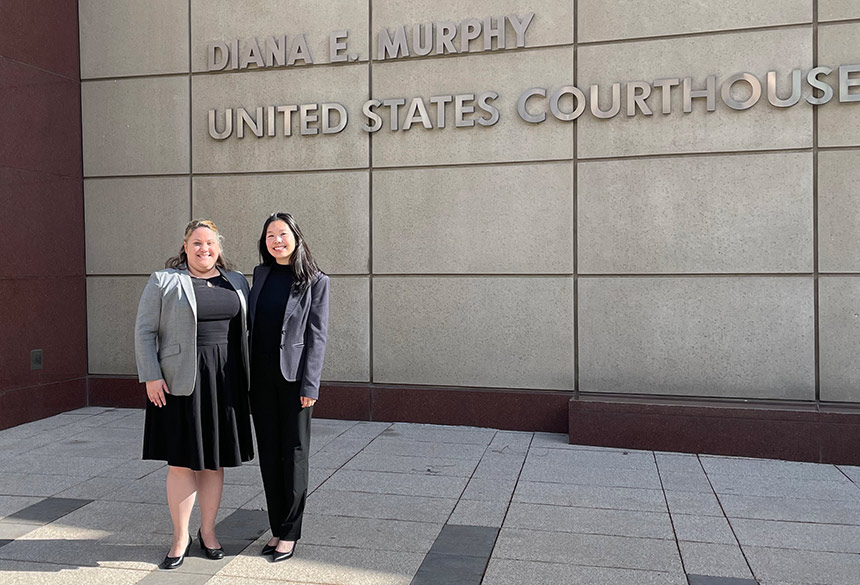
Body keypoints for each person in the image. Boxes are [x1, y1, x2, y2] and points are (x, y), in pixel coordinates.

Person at [134, 219, 254, 570]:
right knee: (182, 462)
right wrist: (151, 377)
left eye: (211, 243)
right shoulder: (164, 281)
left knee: (214, 461)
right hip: (178, 382)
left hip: (225, 381)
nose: (204, 249)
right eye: (197, 243)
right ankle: (180, 537)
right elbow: (144, 331)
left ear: (219, 246)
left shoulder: (236, 281)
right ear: (184, 247)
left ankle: (209, 532)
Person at [249, 212, 330, 562]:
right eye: (270, 235)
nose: (276, 240)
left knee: (294, 454)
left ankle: (290, 533)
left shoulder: (315, 280)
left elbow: (318, 336)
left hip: (295, 380)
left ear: (296, 237)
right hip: (261, 378)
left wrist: (311, 384)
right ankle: (276, 527)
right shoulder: (260, 274)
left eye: (282, 234)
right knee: (269, 454)